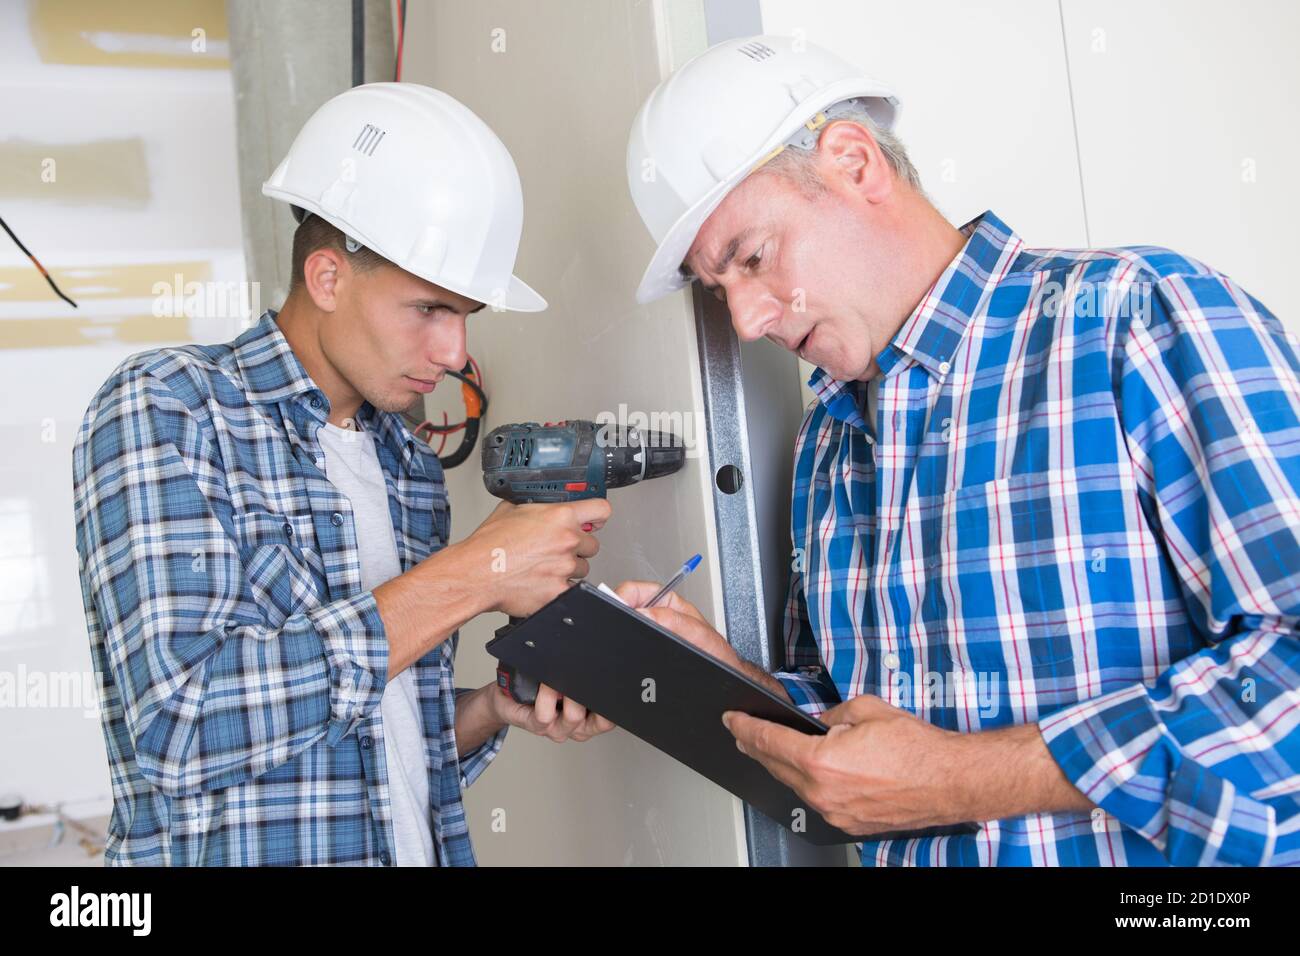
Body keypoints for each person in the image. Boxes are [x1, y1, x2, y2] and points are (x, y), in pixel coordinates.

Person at [619, 35, 1300, 866]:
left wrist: (968, 779)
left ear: (854, 162)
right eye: (720, 289)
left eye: (753, 260)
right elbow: (864, 732)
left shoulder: (1136, 319)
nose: (750, 322)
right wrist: (729, 679)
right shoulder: (827, 448)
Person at [72, 83, 613, 867]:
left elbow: (375, 757)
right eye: (427, 309)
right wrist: (478, 573)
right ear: (327, 279)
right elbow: (180, 729)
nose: (455, 353)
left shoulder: (410, 470)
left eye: (465, 315)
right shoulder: (172, 409)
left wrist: (495, 708)